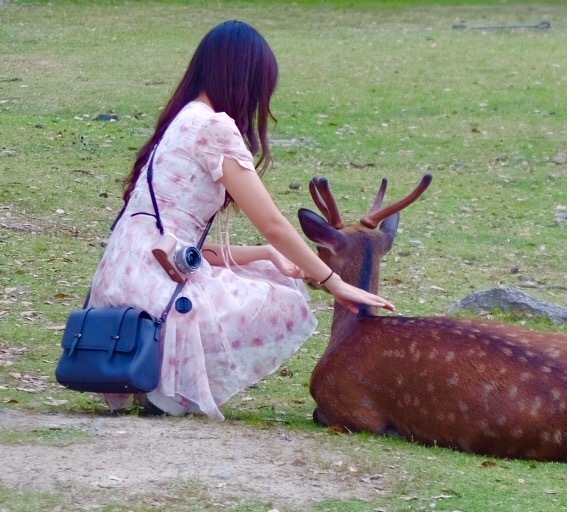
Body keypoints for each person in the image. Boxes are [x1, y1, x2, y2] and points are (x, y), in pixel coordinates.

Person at [89, 20, 394, 419]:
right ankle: (168, 388)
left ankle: (156, 378)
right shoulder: (215, 127)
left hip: (119, 283)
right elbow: (272, 222)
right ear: (243, 78)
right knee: (284, 300)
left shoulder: (181, 121)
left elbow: (185, 248)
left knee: (273, 268)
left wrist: (266, 253)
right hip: (154, 289)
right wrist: (334, 282)